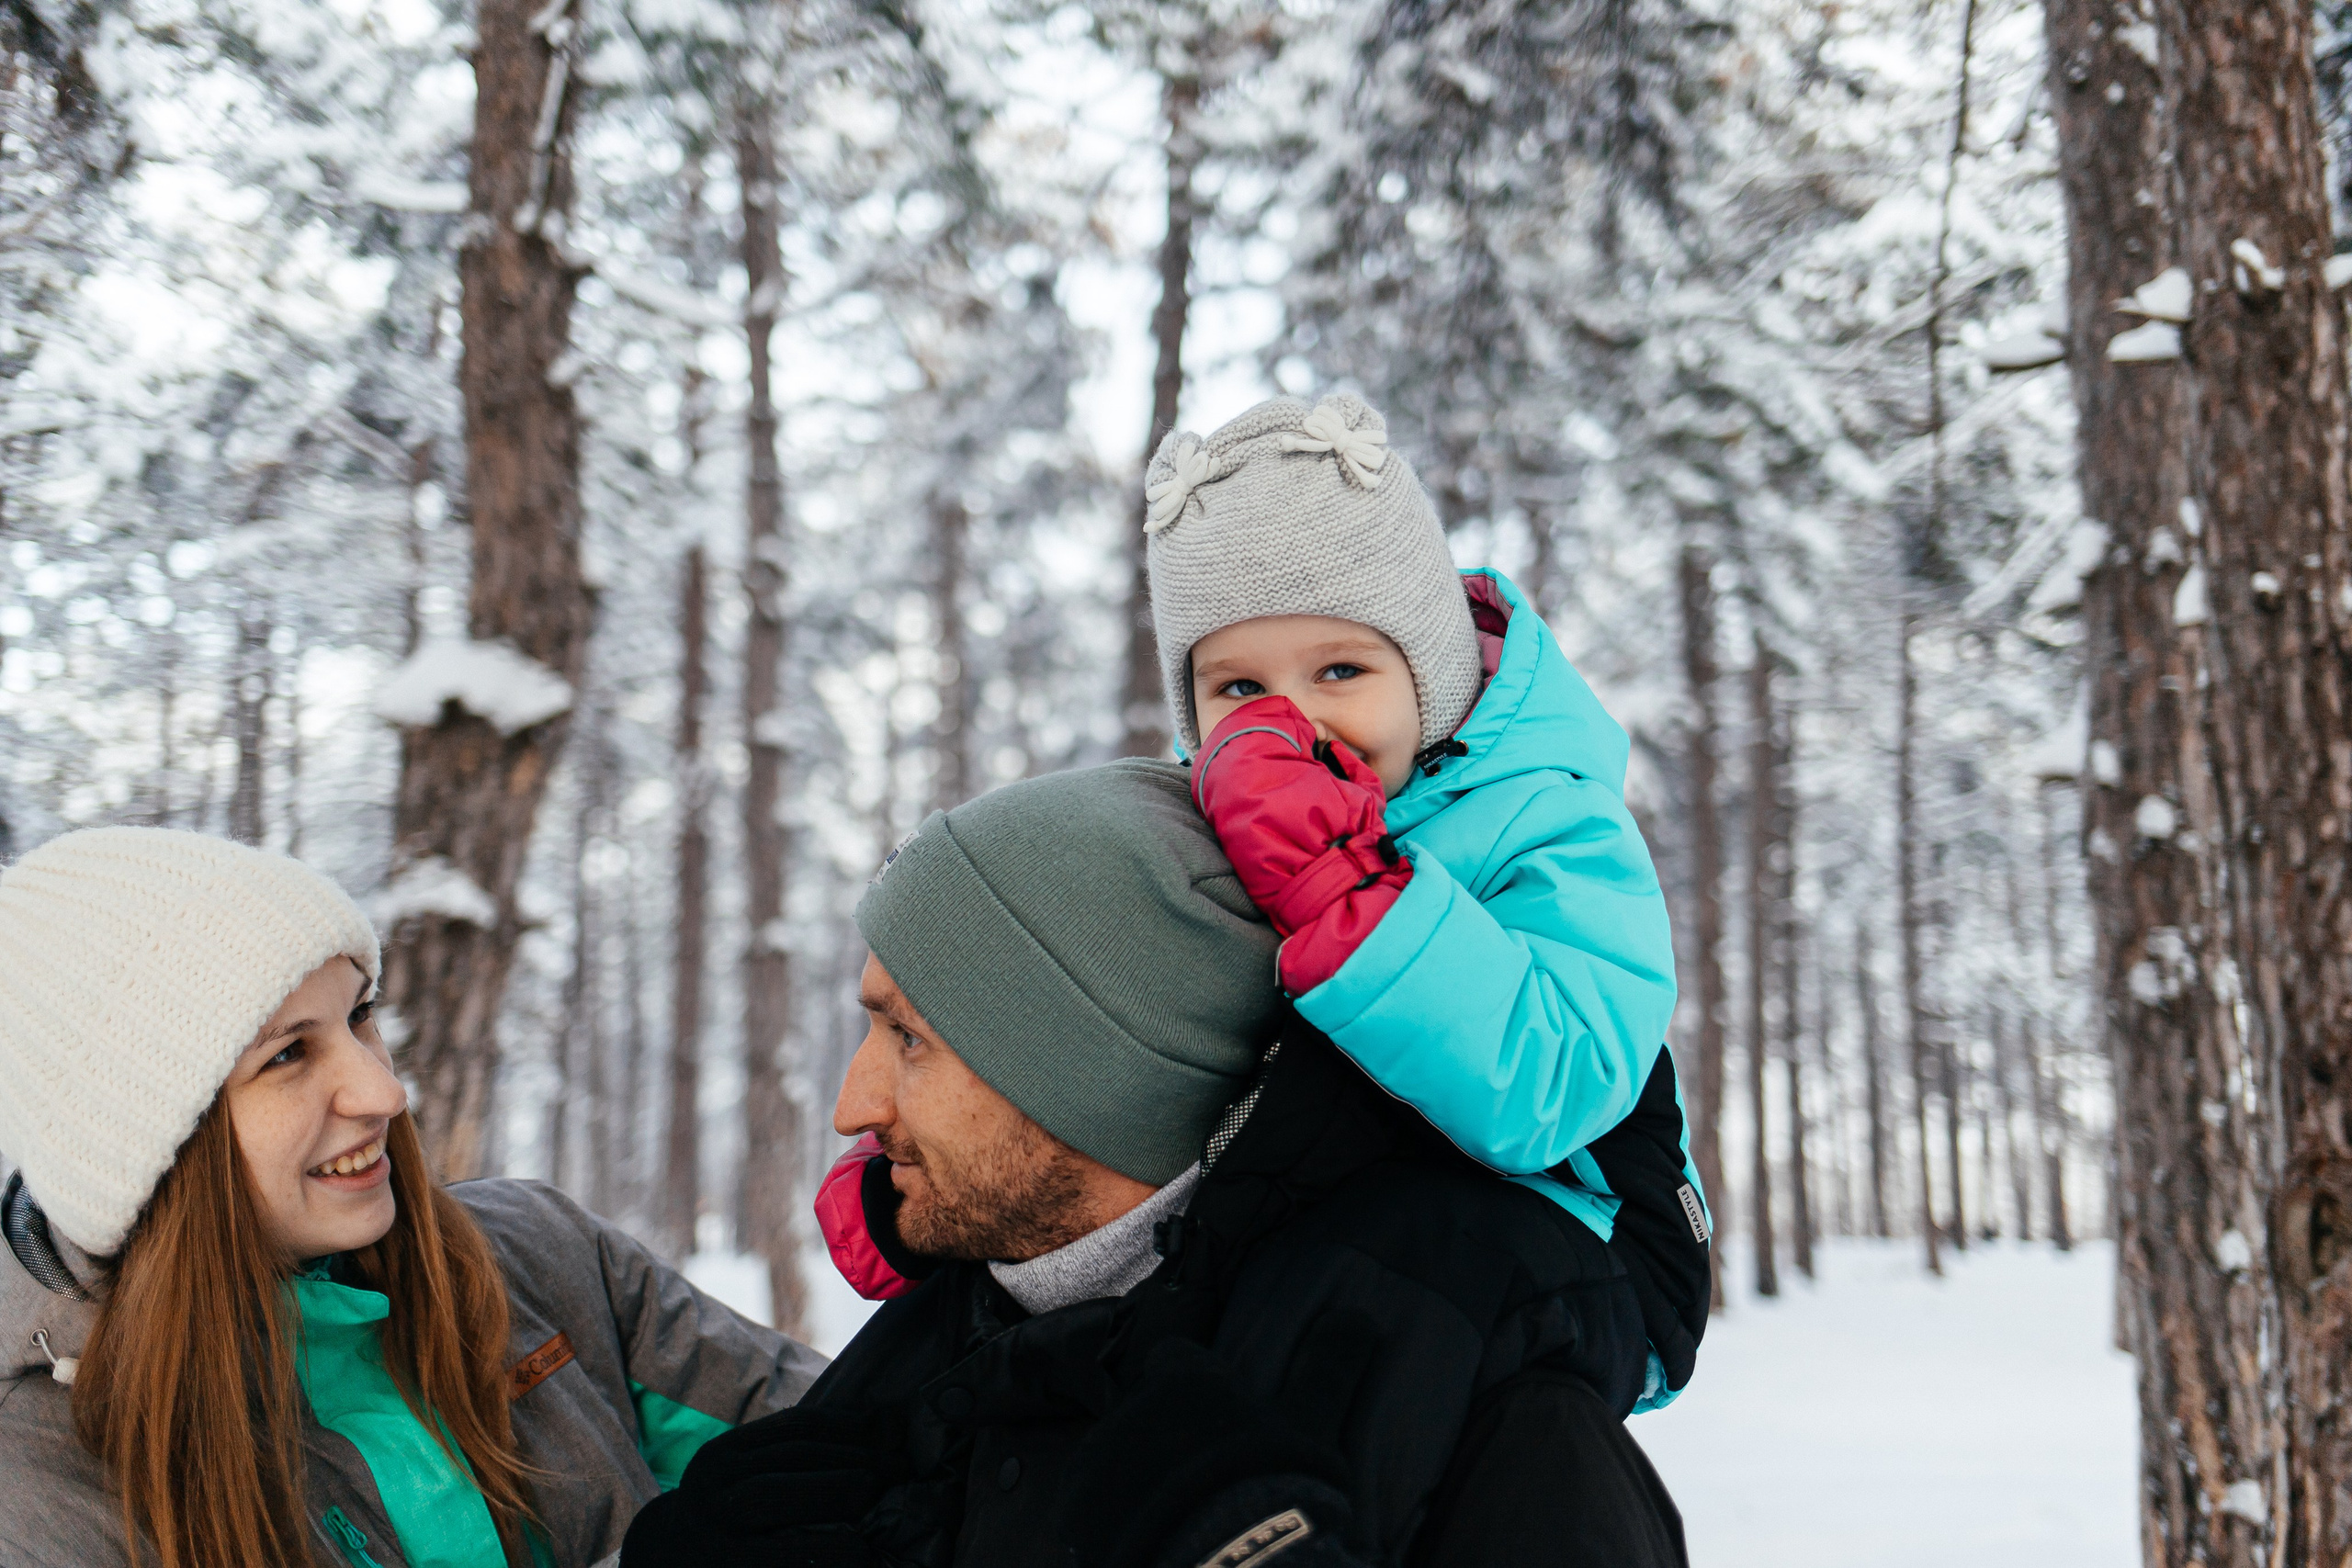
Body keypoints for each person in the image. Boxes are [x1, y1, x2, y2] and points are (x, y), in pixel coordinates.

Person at [820, 393, 1711, 1413]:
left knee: (1313, 1326)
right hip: (1325, 1218)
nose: (1290, 719)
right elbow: (1105, 1024)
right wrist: (931, 1166)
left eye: (1341, 668)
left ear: (1432, 671)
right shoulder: (1220, 818)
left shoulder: (1547, 817)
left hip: (1575, 1237)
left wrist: (1340, 886)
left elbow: (1550, 1085)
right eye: (1238, 689)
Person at [626, 761, 1686, 1568]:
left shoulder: (1474, 1386)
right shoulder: (959, 1327)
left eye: (910, 1038)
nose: (853, 1106)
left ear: (1094, 1068)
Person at [0, 827, 827, 1568]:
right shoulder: (47, 1491)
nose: (383, 1091)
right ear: (148, 1150)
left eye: (360, 1016)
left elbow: (861, 1450)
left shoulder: (540, 1255)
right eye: (288, 1055)